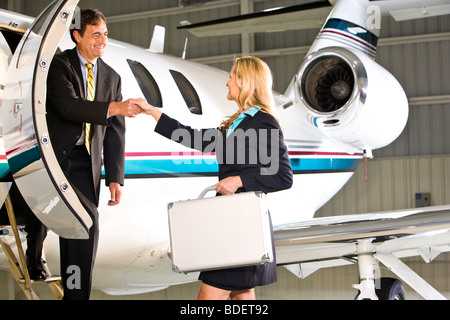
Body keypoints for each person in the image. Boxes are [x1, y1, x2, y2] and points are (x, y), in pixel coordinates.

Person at [136, 56, 293, 300]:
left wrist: (239, 181)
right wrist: (154, 113)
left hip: (242, 223)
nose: (228, 82)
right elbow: (191, 137)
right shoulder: (236, 125)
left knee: (208, 297)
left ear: (244, 81)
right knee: (242, 294)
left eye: (231, 77)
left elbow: (282, 176)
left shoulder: (264, 122)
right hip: (233, 221)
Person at [46, 8, 141, 299]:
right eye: (96, 34)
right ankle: (34, 251)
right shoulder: (59, 66)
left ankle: (76, 294)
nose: (103, 40)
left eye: (106, 34)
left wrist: (114, 177)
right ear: (78, 36)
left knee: (85, 225)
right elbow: (69, 107)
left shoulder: (111, 77)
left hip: (87, 163)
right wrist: (115, 107)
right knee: (78, 221)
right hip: (58, 157)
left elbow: (115, 131)